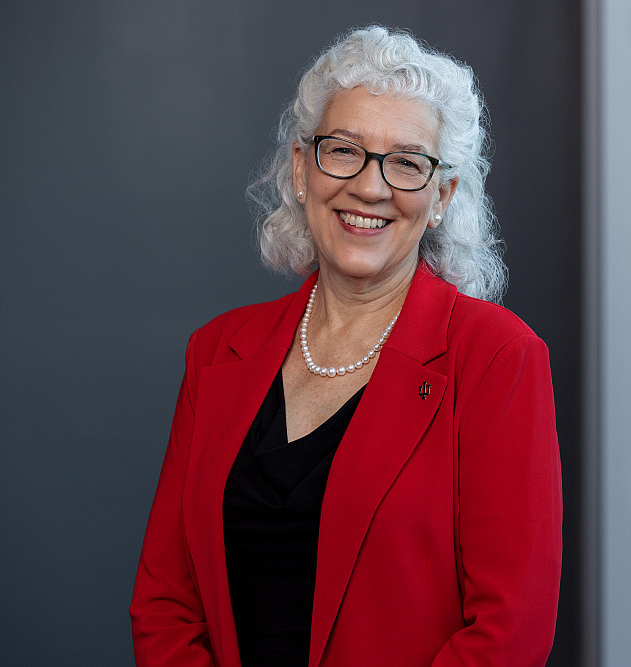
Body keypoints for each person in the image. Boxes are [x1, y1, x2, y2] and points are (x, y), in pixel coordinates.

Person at [130, 25, 562, 666]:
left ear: (441, 197)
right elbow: (165, 602)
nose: (370, 186)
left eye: (408, 162)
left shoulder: (497, 358)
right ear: (302, 169)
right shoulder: (218, 351)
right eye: (344, 151)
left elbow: (511, 628)